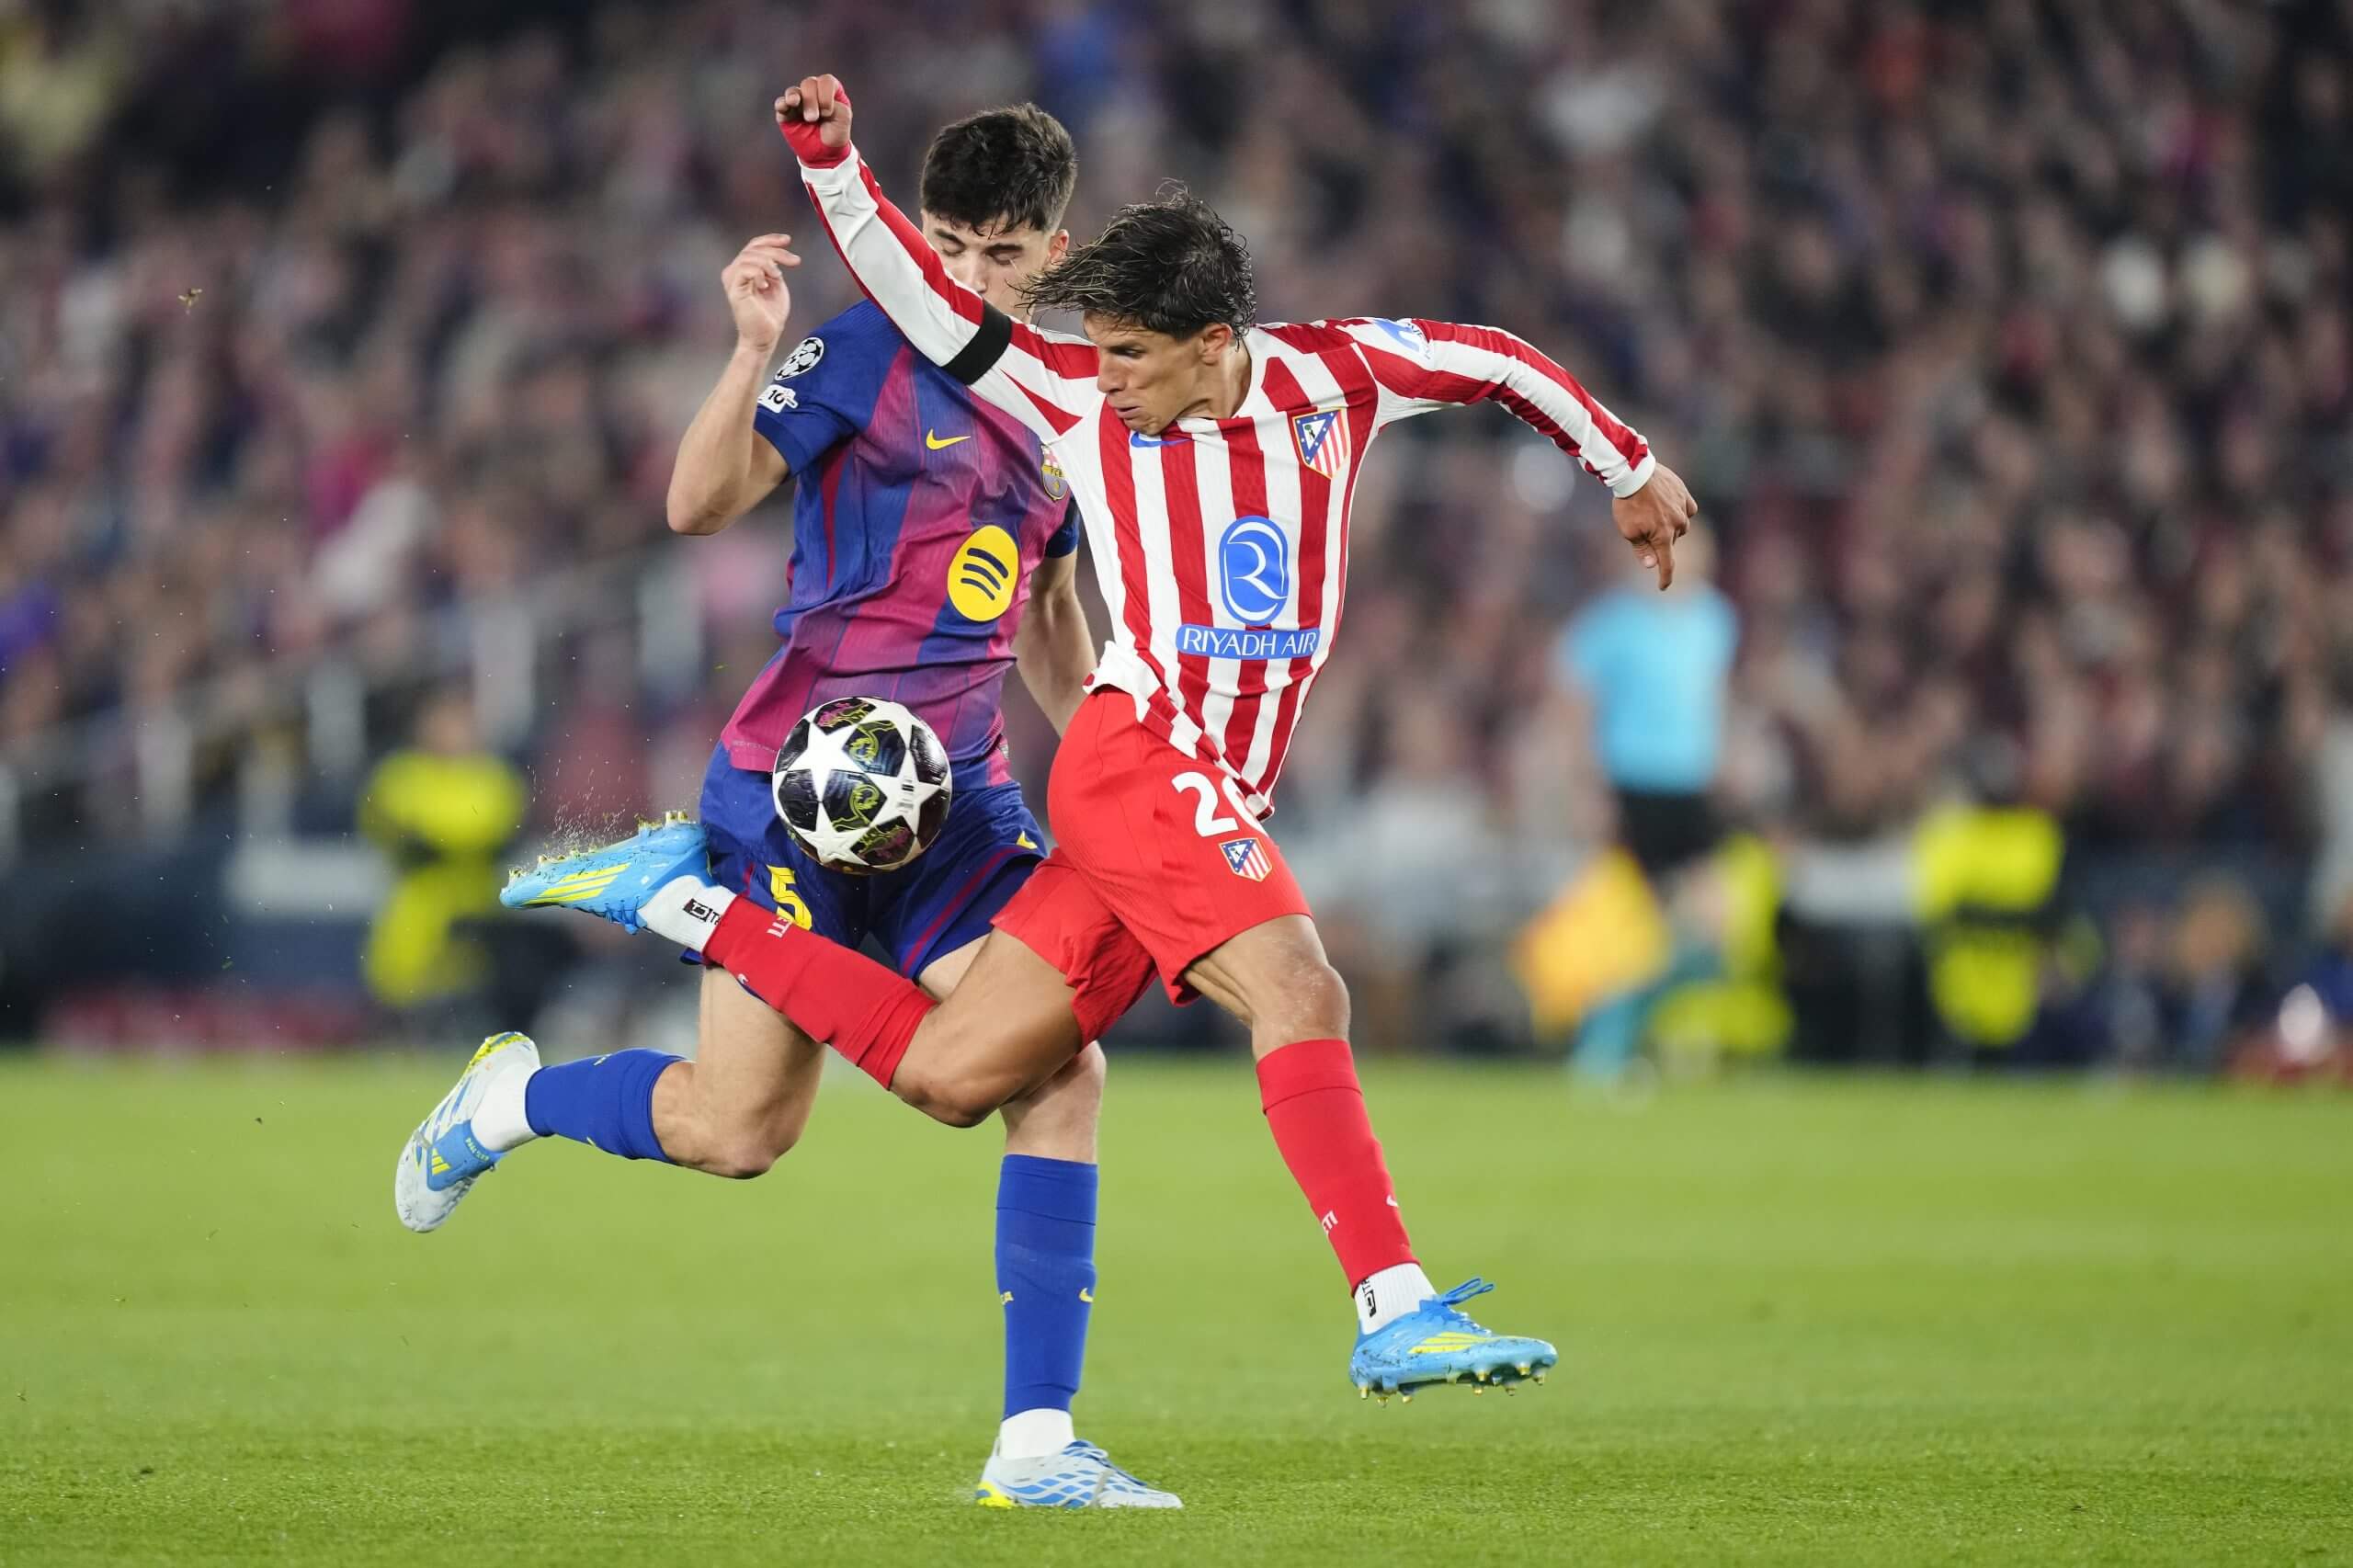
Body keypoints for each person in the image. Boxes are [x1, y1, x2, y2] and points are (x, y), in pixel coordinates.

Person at [519, 74, 1695, 1403]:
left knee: (972, 1075)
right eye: (1100, 348)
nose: (1106, 378)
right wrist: (829, 162)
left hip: (1175, 778)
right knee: (1307, 991)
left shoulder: (1336, 379)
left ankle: (693, 915)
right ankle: (1395, 1304)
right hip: (1140, 763)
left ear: (1210, 341)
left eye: (1133, 353)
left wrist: (1625, 464)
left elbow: (1492, 357)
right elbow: (918, 299)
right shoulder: (1068, 395)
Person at [395, 105, 1178, 1510]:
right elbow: (699, 503)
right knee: (736, 1132)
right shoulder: (867, 348)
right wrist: (751, 349)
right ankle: (511, 1097)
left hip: (960, 812)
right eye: (943, 244)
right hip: (793, 795)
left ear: (1052, 254)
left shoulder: (1070, 403)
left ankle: (1036, 1447)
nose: (963, 275)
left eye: (998, 254)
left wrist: (1129, 769)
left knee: (1059, 1068)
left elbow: (1055, 615)